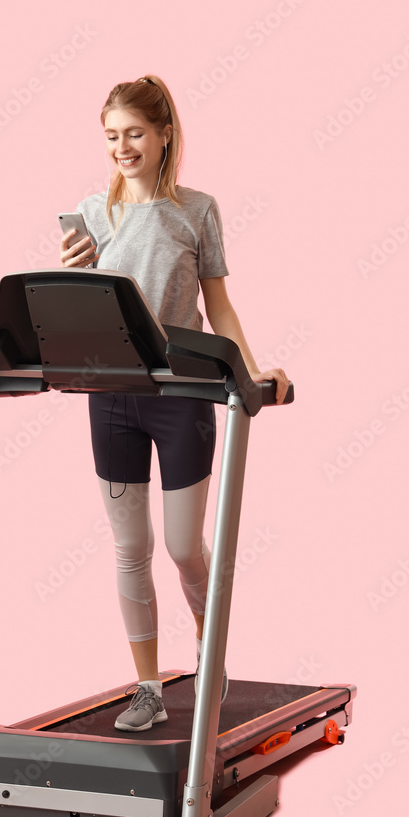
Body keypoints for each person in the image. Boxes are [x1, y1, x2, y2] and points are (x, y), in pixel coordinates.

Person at [59, 75, 289, 732]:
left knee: (184, 546)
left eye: (133, 133)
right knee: (130, 548)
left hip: (181, 395)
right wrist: (70, 275)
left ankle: (207, 654)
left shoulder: (197, 210)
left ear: (164, 134)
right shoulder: (92, 212)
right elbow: (85, 310)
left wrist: (247, 370)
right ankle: (148, 687)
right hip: (109, 397)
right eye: (110, 137)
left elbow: (217, 304)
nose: (121, 147)